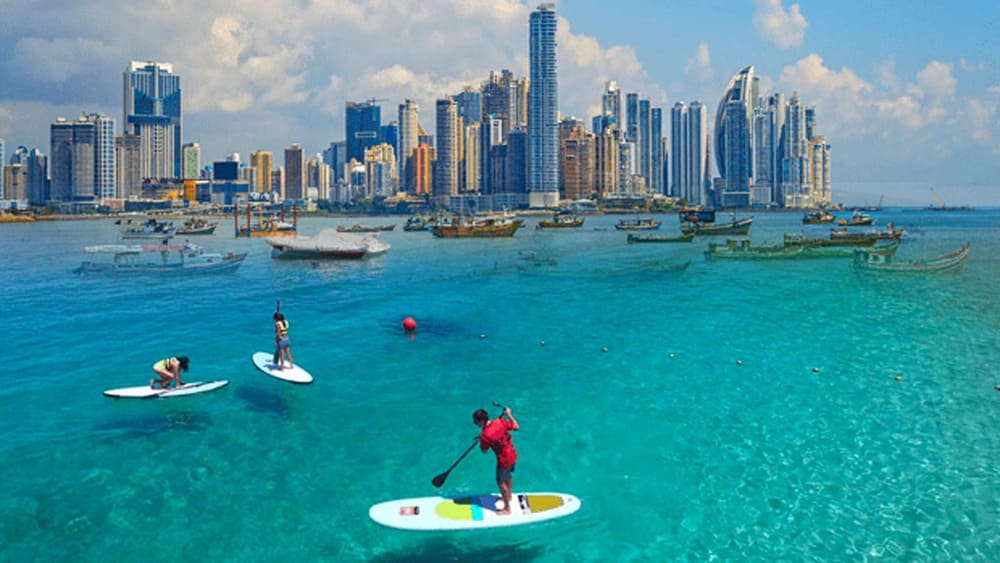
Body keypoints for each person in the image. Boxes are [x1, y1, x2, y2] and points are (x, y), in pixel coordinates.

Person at [474, 406, 520, 515]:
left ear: (481, 421)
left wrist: (482, 440)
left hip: (503, 459)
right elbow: (516, 427)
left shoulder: (485, 435)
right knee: (508, 476)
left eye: (476, 421)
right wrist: (509, 414)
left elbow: (484, 451)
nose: (474, 423)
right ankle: (508, 496)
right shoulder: (500, 421)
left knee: (501, 483)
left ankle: (507, 509)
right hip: (512, 453)